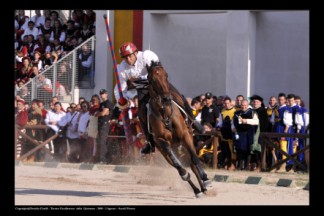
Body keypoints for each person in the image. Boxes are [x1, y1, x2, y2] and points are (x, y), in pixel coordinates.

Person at [114, 42, 204, 154]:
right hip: (142, 89)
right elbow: (119, 89)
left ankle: (193, 120)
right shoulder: (121, 68)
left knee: (178, 96)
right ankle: (150, 142)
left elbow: (158, 70)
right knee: (141, 113)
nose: (128, 59)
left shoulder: (147, 56)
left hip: (157, 84)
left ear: (136, 52)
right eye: (125, 57)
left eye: (130, 55)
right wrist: (121, 100)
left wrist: (158, 84)